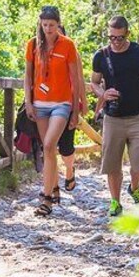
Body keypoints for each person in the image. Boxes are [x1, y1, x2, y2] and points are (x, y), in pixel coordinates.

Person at [91, 16, 139, 217]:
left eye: (119, 37)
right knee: (112, 163)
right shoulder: (101, 56)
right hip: (113, 117)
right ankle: (115, 202)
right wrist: (103, 94)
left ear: (127, 34)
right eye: (111, 37)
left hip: (138, 116)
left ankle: (134, 187)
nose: (115, 41)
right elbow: (94, 83)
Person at [24, 7, 81, 217]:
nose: (48, 29)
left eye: (52, 25)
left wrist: (76, 109)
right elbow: (28, 76)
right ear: (40, 23)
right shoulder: (32, 45)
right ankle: (54, 187)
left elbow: (75, 79)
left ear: (58, 24)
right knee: (47, 149)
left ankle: (46, 198)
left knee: (49, 145)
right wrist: (28, 103)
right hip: (40, 103)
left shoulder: (68, 45)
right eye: (45, 25)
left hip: (61, 103)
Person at [56, 25, 88, 192]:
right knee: (47, 145)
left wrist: (83, 102)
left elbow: (79, 79)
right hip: (46, 104)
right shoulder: (40, 50)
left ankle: (69, 170)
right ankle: (51, 186)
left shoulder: (73, 53)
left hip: (68, 103)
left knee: (66, 145)